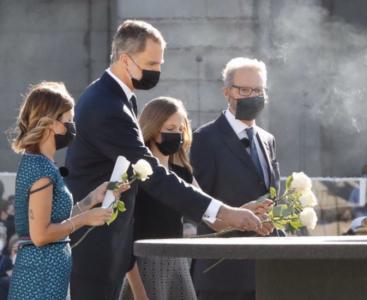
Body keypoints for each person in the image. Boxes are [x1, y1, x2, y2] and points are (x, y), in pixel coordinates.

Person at [64, 20, 263, 299]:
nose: (158, 71)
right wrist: (225, 212)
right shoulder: (107, 106)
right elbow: (153, 175)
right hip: (95, 245)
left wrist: (229, 214)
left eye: (160, 63)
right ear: (125, 60)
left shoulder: (117, 97)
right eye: (152, 63)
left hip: (108, 244)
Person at [6, 82, 121, 299]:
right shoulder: (41, 168)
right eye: (68, 120)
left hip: (46, 277)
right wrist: (85, 218)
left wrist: (90, 200)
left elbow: (54, 220)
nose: (72, 126)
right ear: (50, 124)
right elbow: (40, 235)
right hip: (39, 280)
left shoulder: (42, 164)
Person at [190, 57, 280, 300]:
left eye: (259, 90)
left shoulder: (267, 139)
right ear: (227, 92)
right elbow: (196, 204)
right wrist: (235, 216)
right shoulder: (205, 139)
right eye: (245, 89)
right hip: (222, 272)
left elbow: (273, 194)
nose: (253, 95)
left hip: (264, 271)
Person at [119, 97, 199, 300]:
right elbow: (124, 236)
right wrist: (138, 291)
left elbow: (210, 210)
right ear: (153, 129)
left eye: (181, 129)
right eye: (171, 128)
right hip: (142, 265)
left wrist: (247, 211)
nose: (178, 135)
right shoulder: (133, 173)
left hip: (177, 263)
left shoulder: (183, 172)